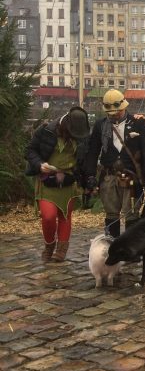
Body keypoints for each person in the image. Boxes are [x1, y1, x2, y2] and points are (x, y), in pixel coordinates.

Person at [85, 88, 145, 238]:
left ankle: (133, 247)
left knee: (132, 212)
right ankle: (114, 245)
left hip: (132, 176)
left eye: (117, 111)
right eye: (110, 113)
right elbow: (93, 151)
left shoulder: (138, 123)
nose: (114, 115)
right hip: (109, 176)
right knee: (111, 213)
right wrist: (90, 174)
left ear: (124, 107)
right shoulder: (100, 125)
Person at [25, 107, 90, 262]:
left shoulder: (82, 135)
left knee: (65, 216)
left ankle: (61, 251)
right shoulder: (46, 131)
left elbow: (85, 159)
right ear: (66, 125)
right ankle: (49, 245)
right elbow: (29, 151)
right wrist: (39, 164)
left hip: (68, 180)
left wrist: (87, 180)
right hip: (47, 179)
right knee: (48, 216)